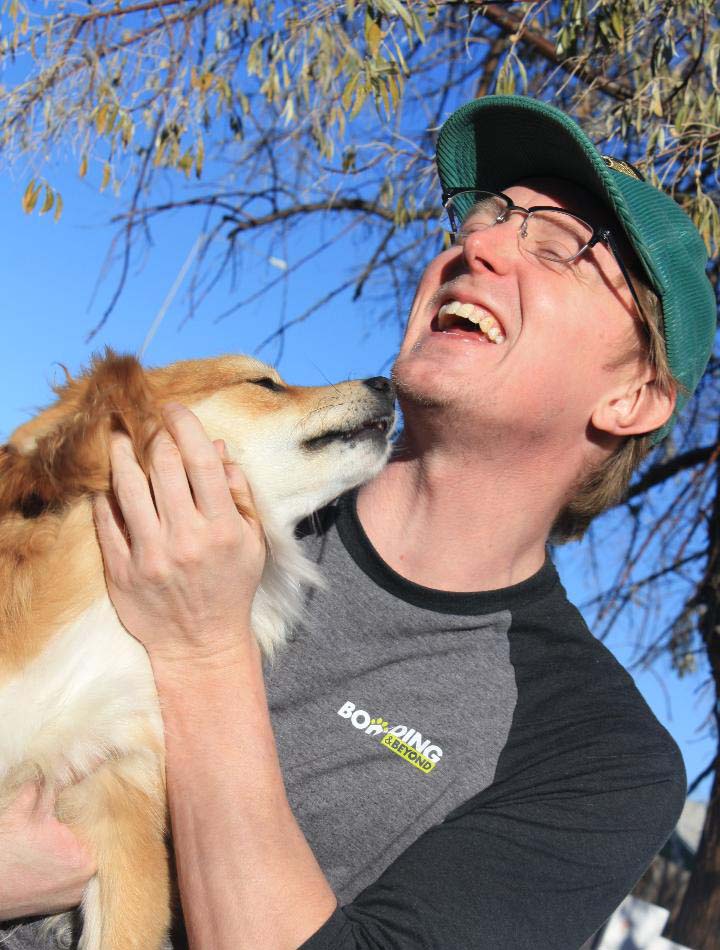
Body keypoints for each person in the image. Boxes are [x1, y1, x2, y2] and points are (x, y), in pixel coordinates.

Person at [0, 95, 716, 949]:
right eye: (482, 219)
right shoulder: (168, 500)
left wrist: (204, 650)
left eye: (560, 247)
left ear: (632, 397)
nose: (474, 245)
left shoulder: (596, 752)